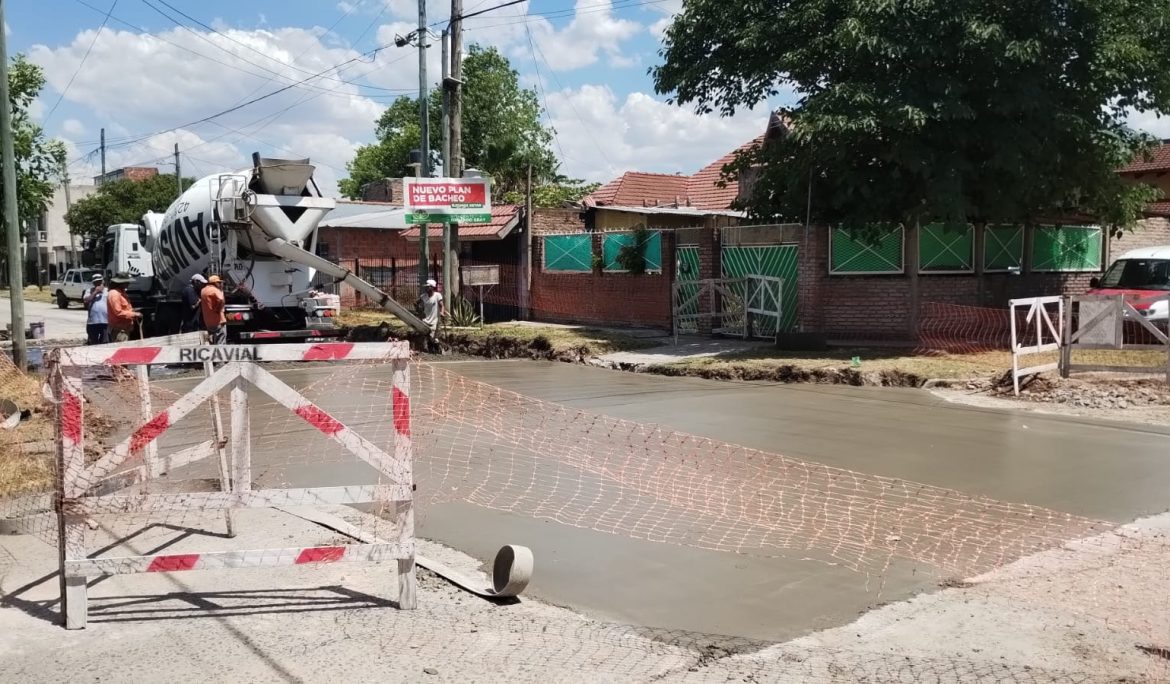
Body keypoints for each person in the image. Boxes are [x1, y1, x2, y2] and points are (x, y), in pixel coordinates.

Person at [105, 273, 142, 343]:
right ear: (121, 282)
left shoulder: (122, 293)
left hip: (124, 329)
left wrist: (133, 311)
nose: (128, 283)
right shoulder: (114, 294)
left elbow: (124, 309)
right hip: (119, 330)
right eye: (127, 282)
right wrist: (134, 314)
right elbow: (118, 312)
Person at [418, 278, 446, 351]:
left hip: (434, 320)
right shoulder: (423, 296)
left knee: (433, 337)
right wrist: (419, 310)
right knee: (425, 335)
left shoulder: (437, 295)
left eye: (428, 286)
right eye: (426, 287)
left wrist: (442, 312)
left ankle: (437, 348)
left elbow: (441, 305)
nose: (427, 288)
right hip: (425, 320)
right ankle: (428, 348)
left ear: (432, 287)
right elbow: (418, 305)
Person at [201, 274, 227, 345]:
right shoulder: (215, 290)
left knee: (212, 340)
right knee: (221, 340)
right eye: (219, 282)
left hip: (208, 321)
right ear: (215, 283)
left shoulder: (203, 290)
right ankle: (220, 355)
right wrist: (218, 309)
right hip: (218, 320)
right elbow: (221, 299)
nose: (220, 284)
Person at [82, 273, 108, 345]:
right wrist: (95, 292)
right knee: (93, 343)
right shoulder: (89, 291)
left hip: (105, 321)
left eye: (99, 281)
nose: (98, 283)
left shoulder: (107, 291)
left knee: (105, 342)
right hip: (93, 322)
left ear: (103, 281)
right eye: (96, 282)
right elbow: (86, 300)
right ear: (93, 283)